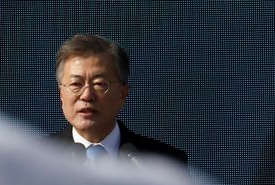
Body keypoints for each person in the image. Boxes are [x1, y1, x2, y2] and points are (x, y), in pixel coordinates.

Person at [50, 34, 187, 165]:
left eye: (99, 84)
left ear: (123, 93)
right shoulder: (38, 161)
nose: (87, 95)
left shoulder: (165, 163)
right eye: (76, 84)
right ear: (61, 93)